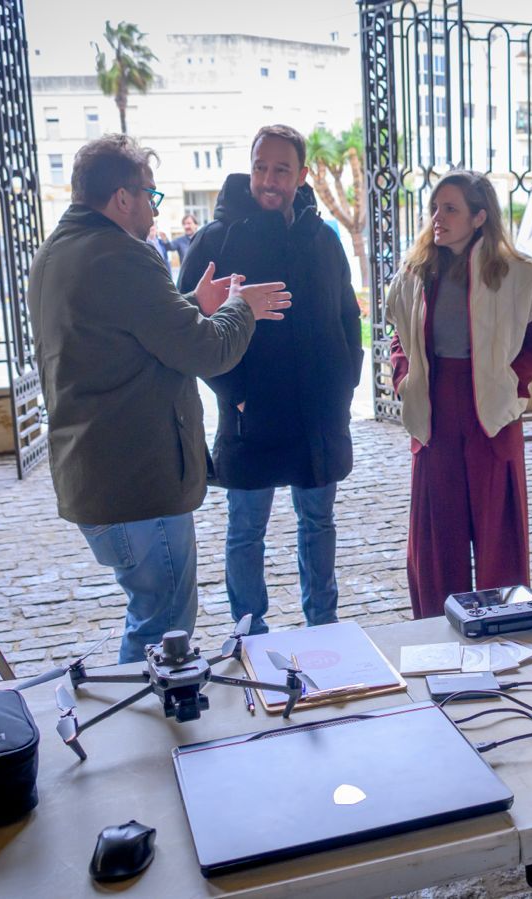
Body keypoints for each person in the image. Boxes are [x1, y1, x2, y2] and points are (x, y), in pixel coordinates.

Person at [28, 134, 292, 662]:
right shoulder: (122, 255)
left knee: (151, 613)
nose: (154, 207)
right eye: (151, 194)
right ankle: (147, 736)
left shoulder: (59, 250)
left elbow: (128, 333)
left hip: (100, 474)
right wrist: (241, 308)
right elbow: (204, 352)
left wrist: (194, 302)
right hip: (137, 482)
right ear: (122, 197)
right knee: (161, 624)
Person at [177, 125, 361, 635]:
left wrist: (345, 384)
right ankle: (248, 634)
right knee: (245, 532)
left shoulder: (323, 238)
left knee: (319, 524)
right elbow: (188, 329)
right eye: (261, 167)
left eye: (282, 169)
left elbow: (348, 317)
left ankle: (324, 626)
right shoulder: (217, 240)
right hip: (249, 418)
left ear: (301, 175)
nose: (269, 179)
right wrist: (234, 396)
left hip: (317, 417)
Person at [386, 170, 532, 619]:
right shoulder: (414, 274)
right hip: (435, 407)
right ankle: (439, 630)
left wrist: (513, 383)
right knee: (438, 531)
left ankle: (503, 624)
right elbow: (399, 338)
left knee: (498, 528)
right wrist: (404, 376)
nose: (438, 217)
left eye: (451, 208)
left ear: (480, 217)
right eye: (435, 208)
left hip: (492, 413)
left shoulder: (518, 274)